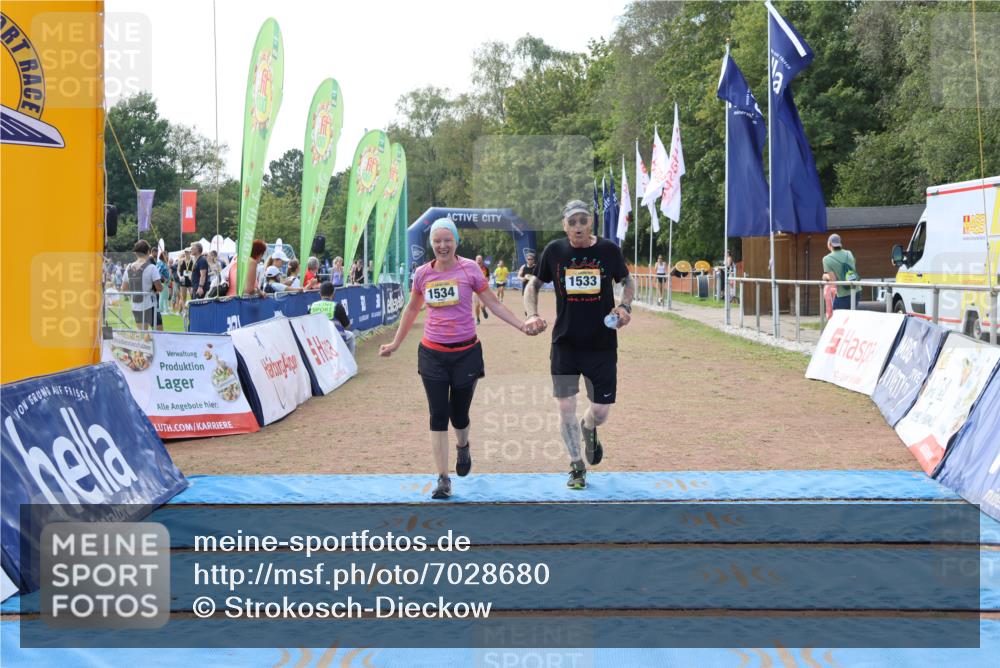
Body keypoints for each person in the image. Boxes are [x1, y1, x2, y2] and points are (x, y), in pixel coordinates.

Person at [379, 218, 541, 500]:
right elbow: (412, 309)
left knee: (459, 415)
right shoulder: (422, 274)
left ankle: (463, 446)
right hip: (432, 354)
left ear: (456, 242)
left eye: (447, 240)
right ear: (431, 244)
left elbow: (492, 302)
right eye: (437, 241)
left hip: (466, 353)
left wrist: (522, 325)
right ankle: (443, 478)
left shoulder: (470, 270)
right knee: (438, 415)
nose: (442, 246)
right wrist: (395, 343)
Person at [523, 199, 634, 490]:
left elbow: (627, 281)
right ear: (564, 226)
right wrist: (532, 314)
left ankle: (589, 428)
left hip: (601, 343)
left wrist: (625, 307)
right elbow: (532, 285)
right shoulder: (555, 251)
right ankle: (576, 465)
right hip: (565, 344)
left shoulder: (608, 250)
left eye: (583, 220)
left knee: (600, 412)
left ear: (591, 223)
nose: (578, 226)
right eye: (572, 222)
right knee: (565, 407)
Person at [122, 240, 163, 331]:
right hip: (150, 305)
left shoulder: (128, 267)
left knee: (142, 334)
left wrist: (135, 295)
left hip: (135, 305)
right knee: (159, 333)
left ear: (135, 253)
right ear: (148, 252)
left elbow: (124, 288)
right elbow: (159, 288)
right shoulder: (152, 267)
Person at [309, 281, 356, 355]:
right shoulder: (337, 306)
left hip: (316, 338)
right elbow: (347, 326)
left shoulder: (312, 306)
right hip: (334, 338)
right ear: (333, 293)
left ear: (320, 293)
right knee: (350, 336)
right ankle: (350, 362)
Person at [822, 233, 860, 311]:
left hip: (843, 294)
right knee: (850, 317)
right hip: (856, 291)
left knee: (837, 317)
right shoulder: (849, 253)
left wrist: (825, 276)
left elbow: (833, 281)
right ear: (840, 244)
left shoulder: (826, 259)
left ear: (829, 244)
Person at [473, 255, 490, 324]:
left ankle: (483, 310)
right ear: (475, 260)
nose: (479, 260)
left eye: (480, 259)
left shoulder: (486, 269)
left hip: (483, 289)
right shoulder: (472, 269)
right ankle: (477, 319)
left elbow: (488, 278)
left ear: (482, 260)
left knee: (482, 305)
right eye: (478, 259)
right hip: (475, 290)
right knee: (477, 305)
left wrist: (483, 281)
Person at [156, 251, 171, 315]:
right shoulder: (161, 263)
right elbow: (158, 272)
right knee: (162, 296)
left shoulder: (164, 263)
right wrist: (164, 279)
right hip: (162, 282)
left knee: (165, 296)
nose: (167, 256)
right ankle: (161, 310)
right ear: (163, 256)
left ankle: (166, 309)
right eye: (166, 255)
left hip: (166, 282)